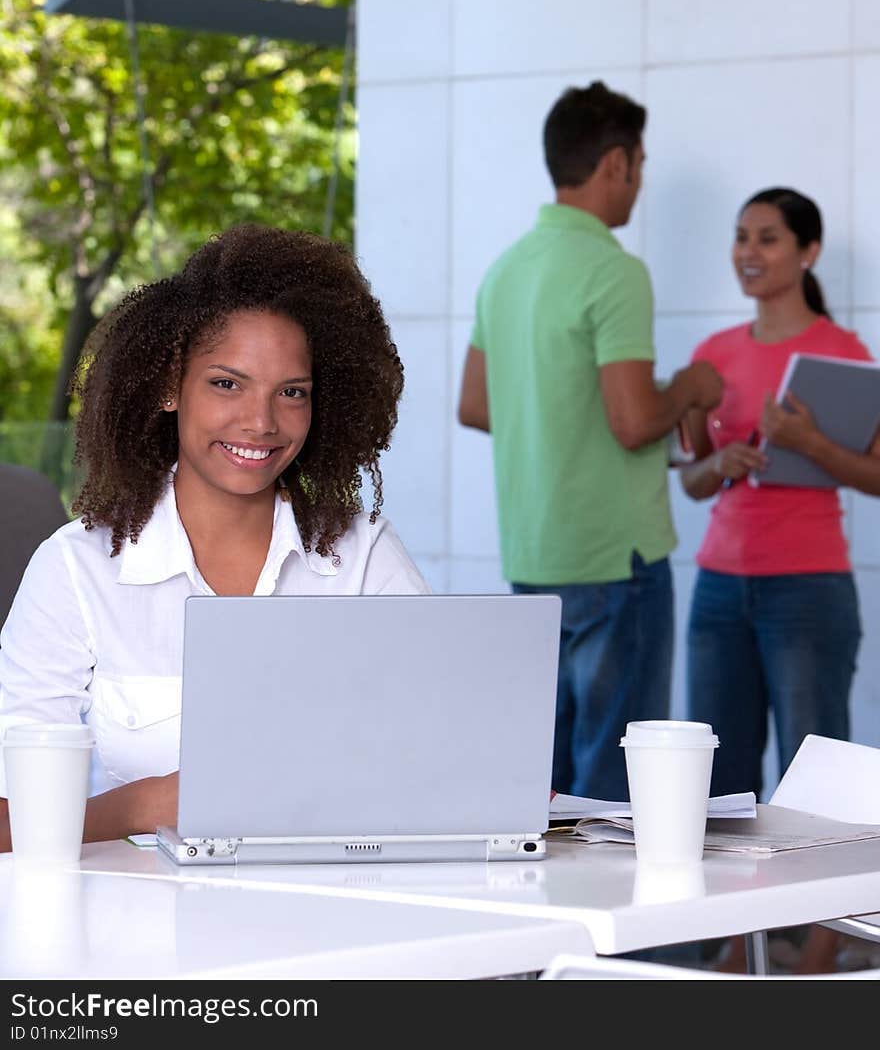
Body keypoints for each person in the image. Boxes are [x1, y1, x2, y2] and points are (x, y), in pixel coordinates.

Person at [0, 224, 429, 852]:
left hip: (331, 907)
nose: (261, 422)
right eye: (227, 383)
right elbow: (10, 823)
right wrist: (147, 804)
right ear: (171, 386)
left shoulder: (362, 555)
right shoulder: (76, 570)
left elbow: (443, 752)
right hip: (133, 926)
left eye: (292, 393)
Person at [457, 81, 723, 801]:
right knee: (611, 789)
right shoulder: (614, 270)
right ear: (615, 164)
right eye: (639, 162)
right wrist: (692, 389)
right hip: (615, 559)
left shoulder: (505, 271)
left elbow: (476, 406)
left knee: (547, 788)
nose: (639, 180)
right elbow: (634, 420)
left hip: (533, 556)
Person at [680, 186, 880, 976]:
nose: (748, 252)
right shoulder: (715, 356)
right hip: (719, 591)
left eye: (767, 237)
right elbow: (690, 480)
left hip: (809, 589)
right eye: (739, 237)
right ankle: (738, 942)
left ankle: (825, 943)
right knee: (723, 785)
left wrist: (806, 442)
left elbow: (874, 475)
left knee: (811, 780)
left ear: (808, 252)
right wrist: (718, 463)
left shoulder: (847, 354)